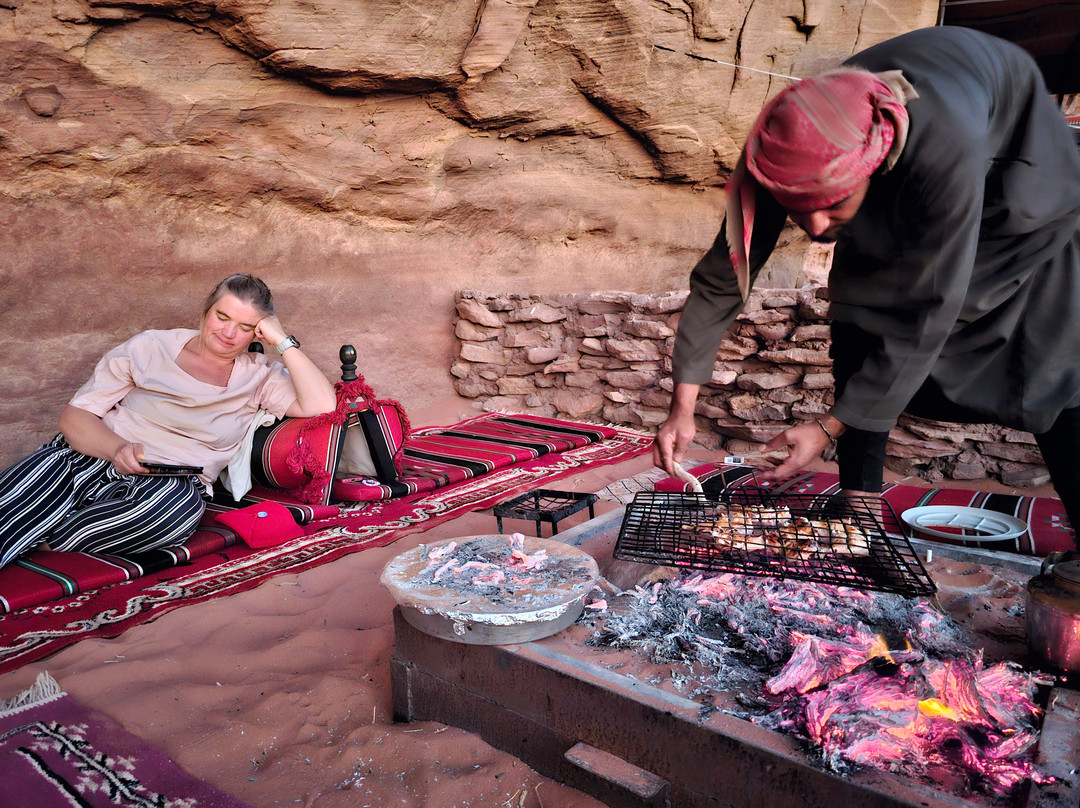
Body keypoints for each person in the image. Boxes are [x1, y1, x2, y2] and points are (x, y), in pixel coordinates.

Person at [654, 26, 1080, 539]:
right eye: (798, 209)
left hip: (1017, 187)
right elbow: (725, 272)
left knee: (1052, 357)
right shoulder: (779, 146)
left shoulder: (947, 148)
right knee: (859, 303)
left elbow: (933, 307)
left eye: (830, 204)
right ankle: (859, 510)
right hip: (907, 162)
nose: (813, 229)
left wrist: (830, 426)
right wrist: (682, 407)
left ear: (871, 165)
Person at [0, 274, 338, 569]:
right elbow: (76, 417)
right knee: (23, 495)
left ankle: (43, 540)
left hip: (169, 485)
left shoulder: (259, 377)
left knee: (174, 515)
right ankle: (30, 528)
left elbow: (323, 404)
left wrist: (283, 340)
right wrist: (117, 449)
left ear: (258, 332)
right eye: (222, 316)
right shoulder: (151, 347)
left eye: (246, 326)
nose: (229, 333)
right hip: (94, 455)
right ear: (206, 310)